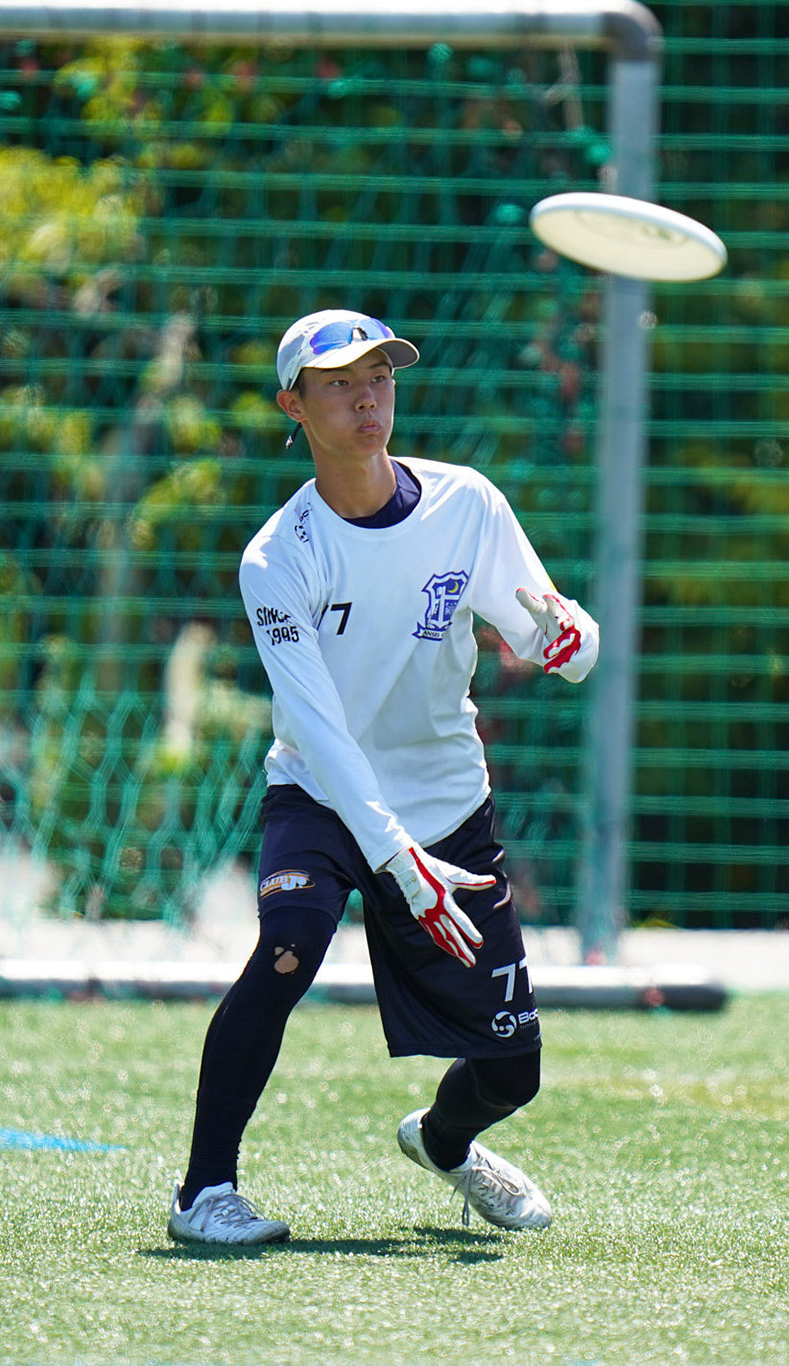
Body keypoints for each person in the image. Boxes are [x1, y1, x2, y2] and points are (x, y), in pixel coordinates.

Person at [167, 309, 599, 1245]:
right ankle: (204, 1192)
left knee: (513, 1071)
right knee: (289, 943)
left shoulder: (467, 504)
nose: (367, 399)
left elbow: (548, 631)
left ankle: (444, 1142)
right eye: (339, 384)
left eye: (380, 379)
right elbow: (322, 734)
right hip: (324, 798)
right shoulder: (278, 558)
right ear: (294, 405)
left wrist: (574, 644)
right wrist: (398, 861)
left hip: (446, 806)